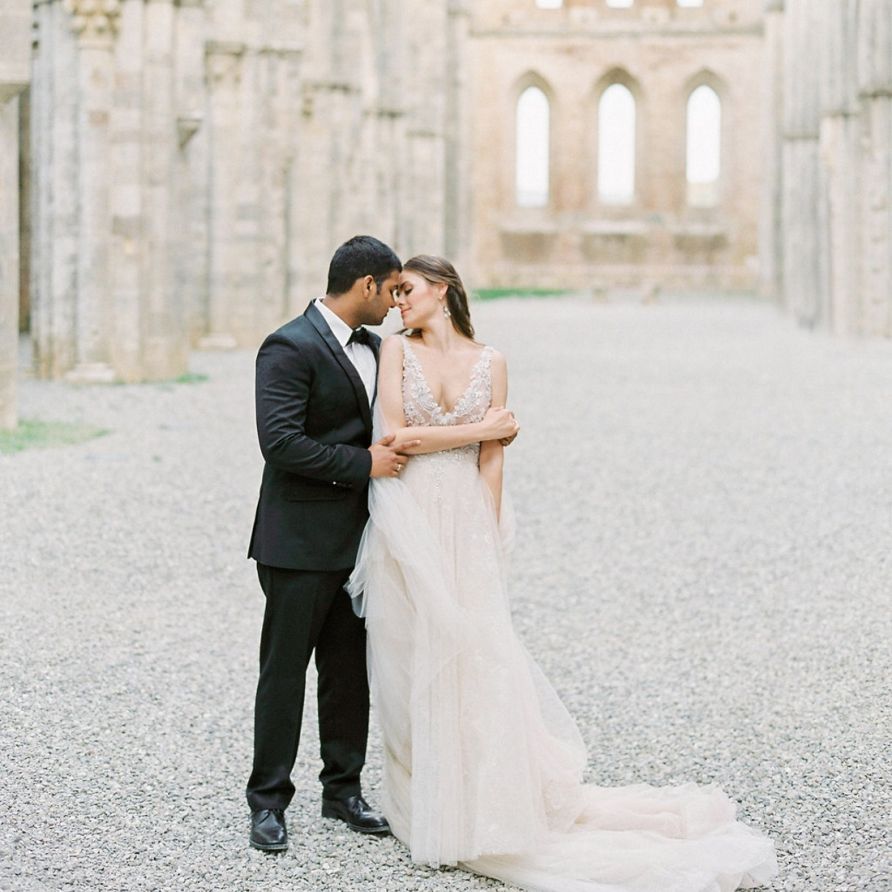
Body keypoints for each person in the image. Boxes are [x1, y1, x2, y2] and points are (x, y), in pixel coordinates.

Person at [348, 255, 779, 891]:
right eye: (394, 293)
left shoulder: (491, 360)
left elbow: (492, 459)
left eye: (408, 290)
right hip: (408, 513)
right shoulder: (394, 351)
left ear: (442, 290)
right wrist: (484, 425)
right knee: (408, 651)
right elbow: (399, 439)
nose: (398, 302)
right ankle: (427, 797)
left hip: (466, 516)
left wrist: (488, 532)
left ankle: (479, 798)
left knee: (473, 653)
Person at [245, 235, 419, 852]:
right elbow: (281, 443)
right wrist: (362, 462)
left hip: (364, 543)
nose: (397, 303)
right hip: (297, 543)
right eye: (393, 289)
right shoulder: (288, 345)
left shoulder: (379, 348)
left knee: (348, 675)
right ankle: (267, 801)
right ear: (365, 284)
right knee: (285, 672)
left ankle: (342, 791)